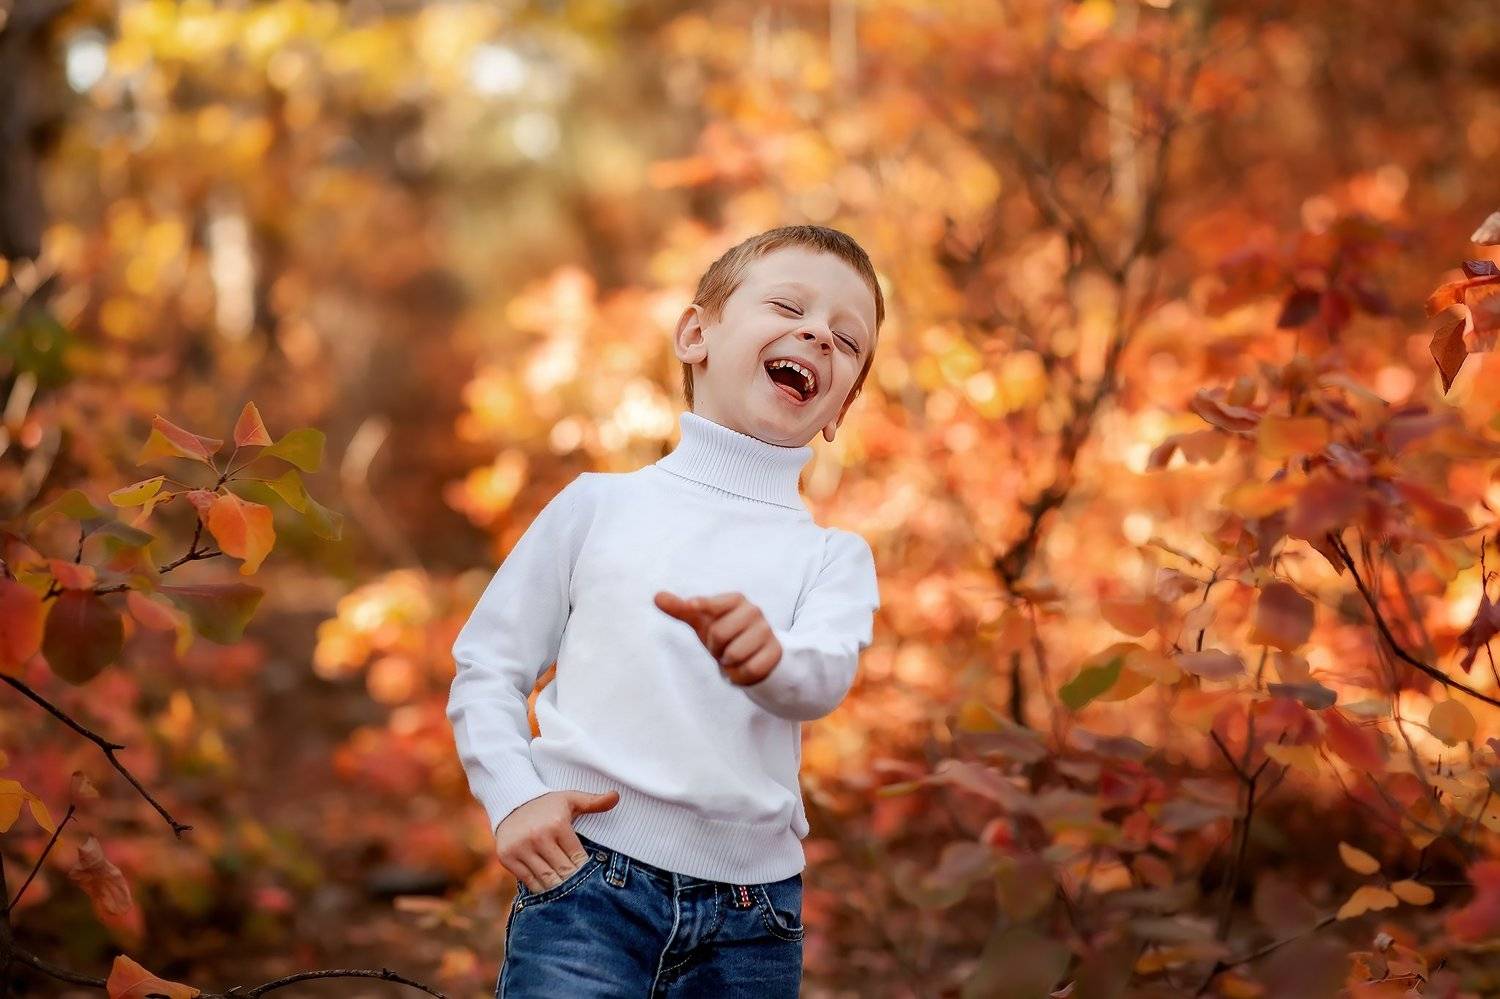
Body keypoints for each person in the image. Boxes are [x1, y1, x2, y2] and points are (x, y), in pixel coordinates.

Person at [447, 224, 884, 997]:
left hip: (752, 920)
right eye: (789, 307)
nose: (819, 333)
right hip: (586, 888)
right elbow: (488, 666)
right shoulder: (596, 507)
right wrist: (513, 794)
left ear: (839, 407)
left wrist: (770, 661)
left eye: (847, 340)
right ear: (695, 335)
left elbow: (820, 678)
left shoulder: (832, 557)